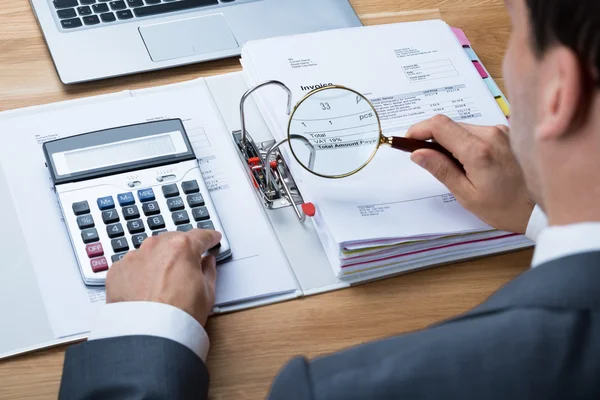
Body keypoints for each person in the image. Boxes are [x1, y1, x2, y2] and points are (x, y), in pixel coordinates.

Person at [58, 0, 600, 398]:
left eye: (514, 33)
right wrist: (543, 210)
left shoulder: (344, 389)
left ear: (558, 92)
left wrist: (145, 333)